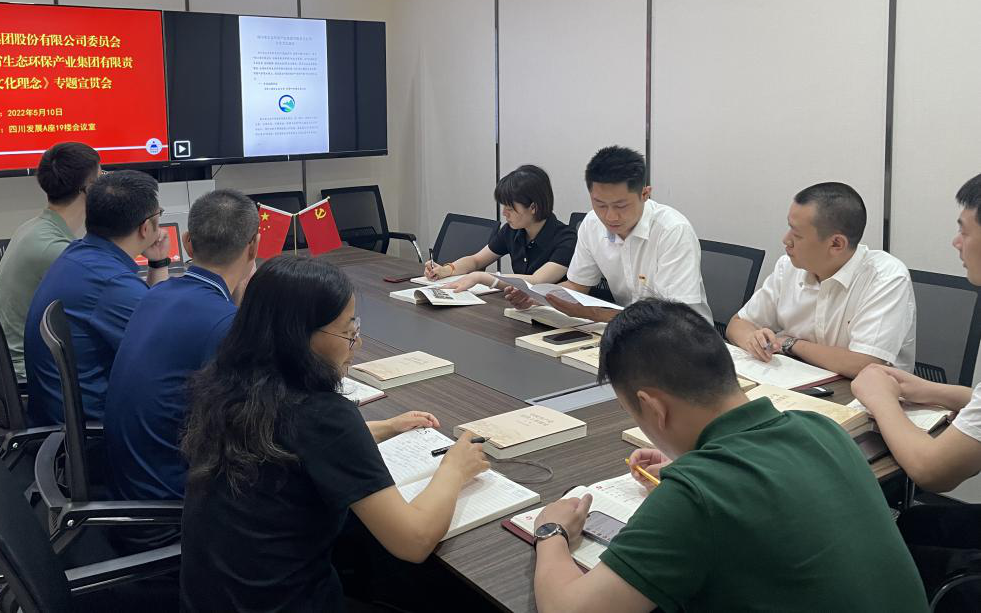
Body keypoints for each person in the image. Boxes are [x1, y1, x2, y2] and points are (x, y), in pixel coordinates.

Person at [531, 298, 927, 613]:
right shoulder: (820, 428)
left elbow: (569, 608)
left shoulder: (696, 495)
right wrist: (691, 471)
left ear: (653, 407)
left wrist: (551, 531)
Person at [179, 256, 489, 613]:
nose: (357, 343)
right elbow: (414, 540)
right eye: (347, 332)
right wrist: (455, 469)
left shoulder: (231, 383)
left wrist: (385, 427)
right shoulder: (323, 414)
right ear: (300, 337)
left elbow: (290, 446)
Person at [852, 173, 981, 610]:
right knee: (907, 524)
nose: (956, 243)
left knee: (865, 553)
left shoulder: (884, 274)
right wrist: (936, 392)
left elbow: (933, 471)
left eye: (964, 230)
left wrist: (882, 399)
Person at [105, 189, 259, 502]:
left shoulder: (155, 294)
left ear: (187, 243)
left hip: (130, 482)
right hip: (174, 499)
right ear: (254, 247)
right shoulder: (224, 324)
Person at [23, 170, 171, 426]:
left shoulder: (78, 254)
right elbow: (168, 353)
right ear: (146, 227)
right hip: (96, 428)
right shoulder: (111, 284)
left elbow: (154, 317)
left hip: (61, 419)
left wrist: (158, 263)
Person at [727, 182, 916, 377]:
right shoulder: (788, 267)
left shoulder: (885, 277)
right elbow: (738, 324)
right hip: (795, 380)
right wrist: (754, 339)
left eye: (797, 234)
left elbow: (864, 365)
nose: (786, 240)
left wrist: (790, 344)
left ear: (836, 244)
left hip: (859, 391)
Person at [506, 146, 711, 325]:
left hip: (684, 338)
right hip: (629, 332)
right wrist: (538, 297)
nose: (610, 216)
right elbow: (577, 285)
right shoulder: (591, 224)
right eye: (600, 205)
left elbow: (675, 316)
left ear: (644, 194)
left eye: (621, 205)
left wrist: (593, 313)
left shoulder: (672, 231)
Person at [0, 142, 100, 379]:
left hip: (10, 367)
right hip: (29, 374)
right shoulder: (55, 250)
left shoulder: (33, 228)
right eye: (102, 178)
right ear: (90, 189)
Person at [425, 164, 577, 290]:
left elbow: (537, 281)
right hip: (522, 307)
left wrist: (481, 277)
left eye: (510, 208)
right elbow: (476, 260)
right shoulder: (512, 231)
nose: (504, 213)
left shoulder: (566, 239)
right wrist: (447, 270)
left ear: (533, 207)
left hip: (555, 311)